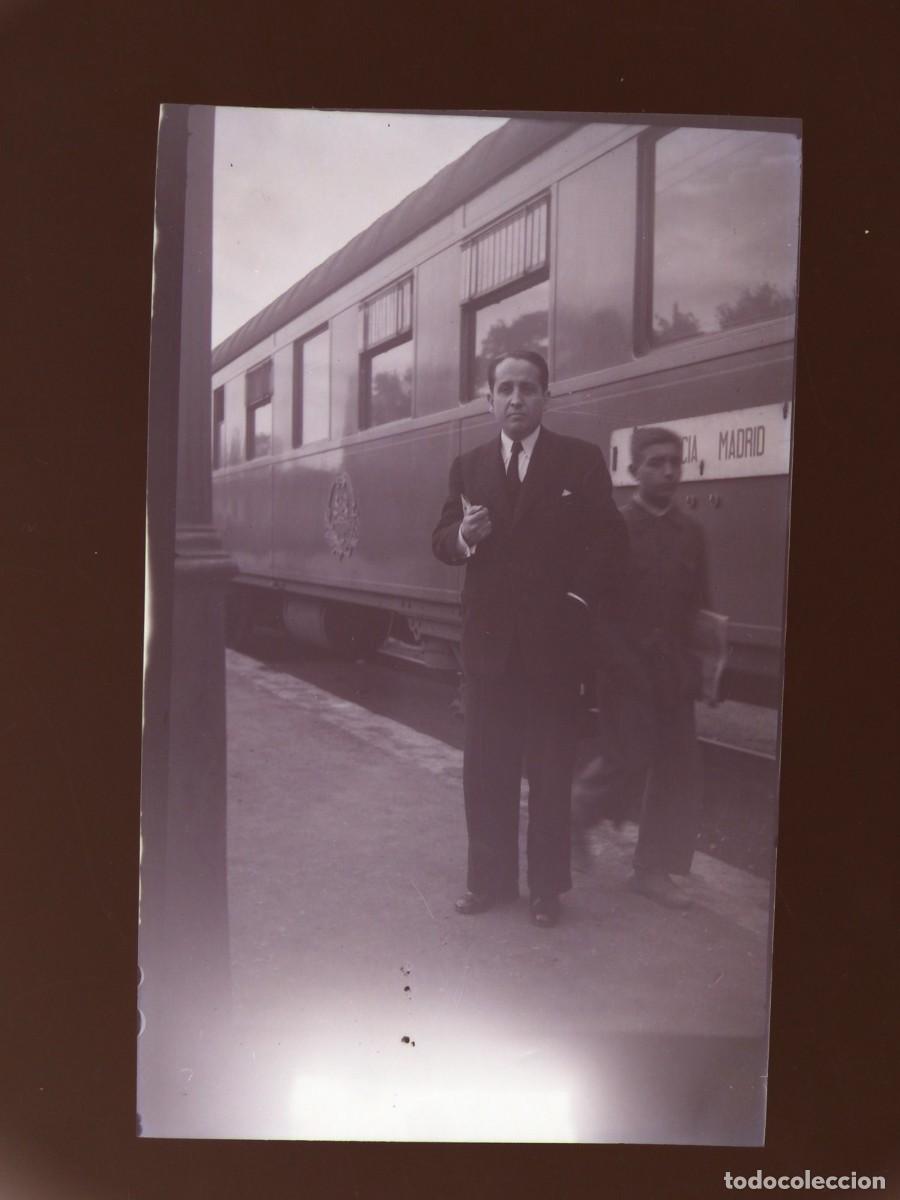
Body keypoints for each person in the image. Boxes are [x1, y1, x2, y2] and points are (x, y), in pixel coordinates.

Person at [431, 351, 626, 927]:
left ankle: (546, 891)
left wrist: (577, 605)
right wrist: (462, 537)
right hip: (490, 647)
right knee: (485, 770)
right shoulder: (467, 466)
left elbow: (609, 544)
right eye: (506, 388)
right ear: (489, 399)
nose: (517, 398)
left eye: (529, 388)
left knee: (549, 771)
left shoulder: (579, 461)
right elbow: (439, 541)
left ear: (547, 397)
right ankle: (488, 883)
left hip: (554, 649)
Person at [573, 425, 709, 909]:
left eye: (675, 462)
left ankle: (652, 871)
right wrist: (615, 662)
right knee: (626, 755)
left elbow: (699, 607)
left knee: (677, 766)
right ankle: (578, 812)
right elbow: (595, 605)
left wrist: (700, 665)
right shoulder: (615, 529)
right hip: (623, 664)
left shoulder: (691, 532)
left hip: (672, 668)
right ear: (633, 472)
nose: (669, 471)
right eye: (656, 462)